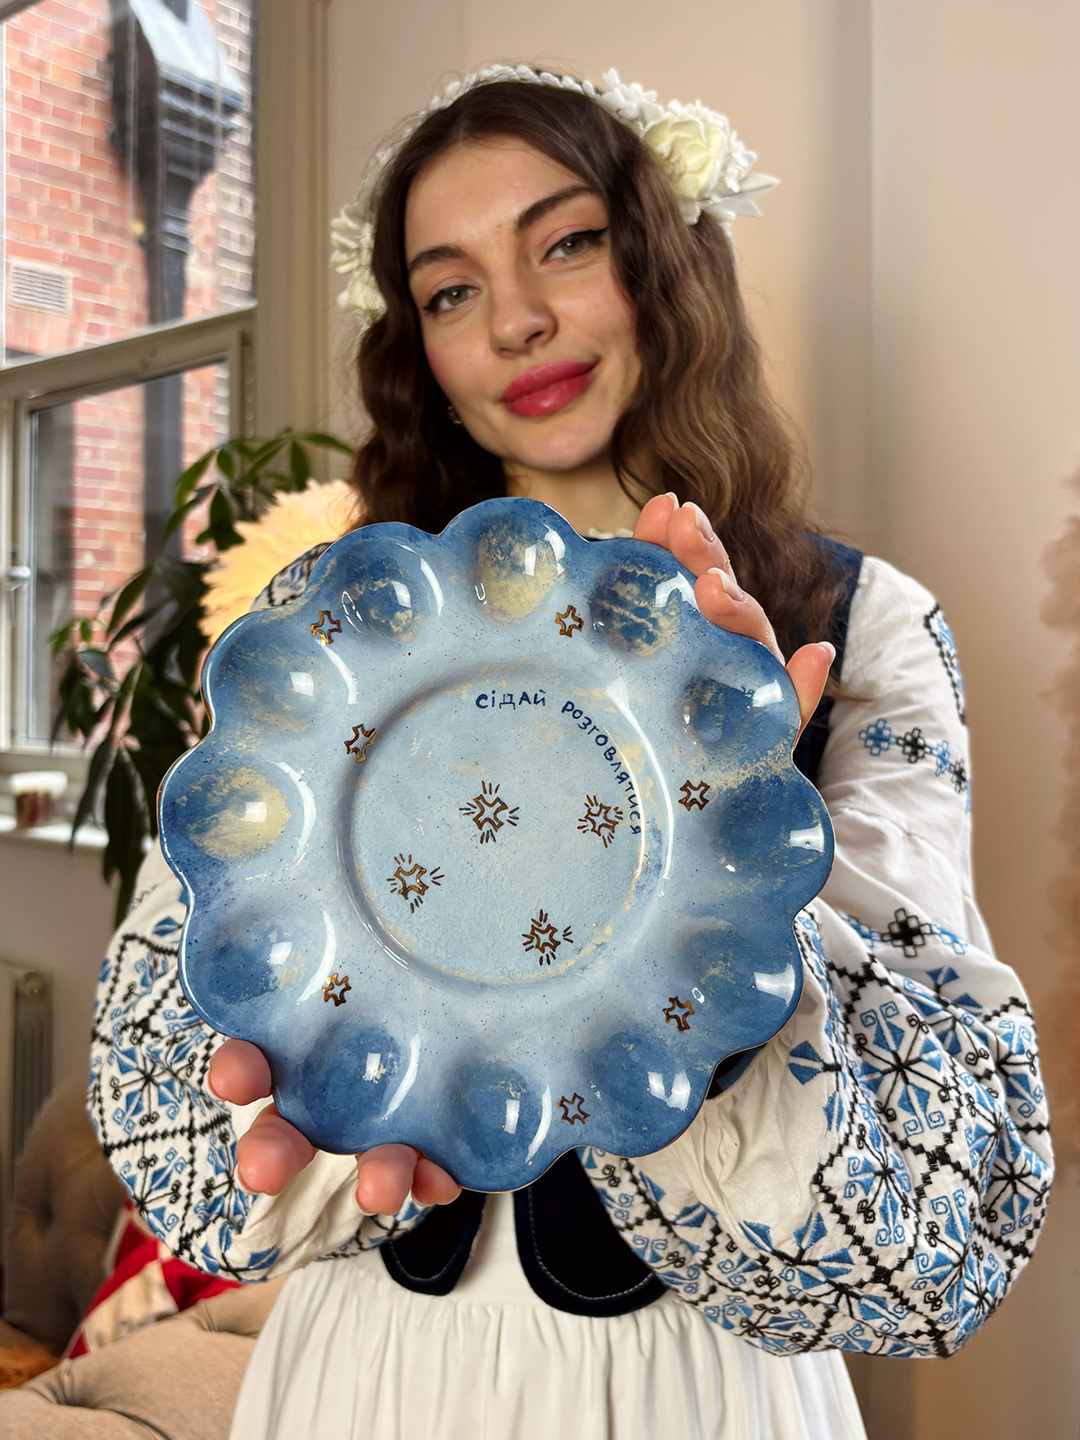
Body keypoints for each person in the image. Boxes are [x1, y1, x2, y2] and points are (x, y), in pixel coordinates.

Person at [81, 66, 1049, 1440]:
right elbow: (181, 1141)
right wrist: (309, 1065)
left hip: (695, 1386)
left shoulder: (860, 623)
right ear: (418, 349)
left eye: (569, 242)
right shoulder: (329, 638)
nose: (516, 318)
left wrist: (720, 864)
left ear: (667, 261)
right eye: (450, 290)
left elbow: (925, 1232)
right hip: (370, 1373)